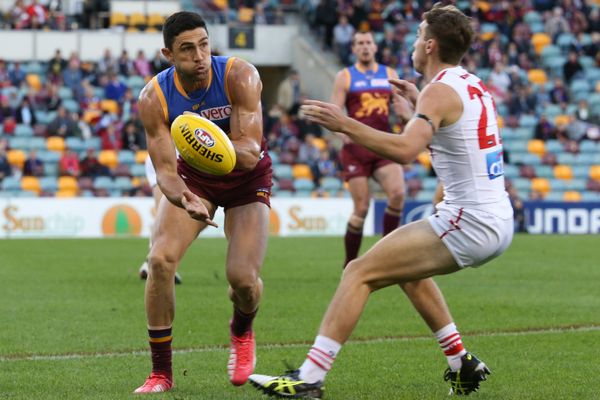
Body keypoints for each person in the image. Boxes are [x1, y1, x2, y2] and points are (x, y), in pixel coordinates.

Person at [249, 4, 513, 397]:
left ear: (430, 44)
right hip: (492, 215)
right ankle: (462, 362)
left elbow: (406, 151)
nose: (413, 42)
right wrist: (417, 105)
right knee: (407, 271)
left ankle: (309, 378)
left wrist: (346, 125)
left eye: (419, 34)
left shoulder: (439, 92)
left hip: (470, 221)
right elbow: (455, 142)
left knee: (358, 272)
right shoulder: (469, 84)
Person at [133, 11, 272, 393]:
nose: (199, 56)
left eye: (204, 45)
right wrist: (184, 198)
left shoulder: (239, 75)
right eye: (187, 49)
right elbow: (164, 171)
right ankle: (161, 373)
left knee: (243, 280)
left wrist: (212, 142)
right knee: (160, 260)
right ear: (168, 54)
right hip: (195, 179)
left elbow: (248, 149)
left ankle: (242, 330)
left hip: (247, 178)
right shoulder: (154, 97)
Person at [331, 30, 405, 267]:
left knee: (398, 194)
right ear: (353, 49)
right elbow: (335, 111)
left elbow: (400, 105)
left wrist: (407, 120)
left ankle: (388, 254)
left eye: (368, 42)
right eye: (360, 43)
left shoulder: (390, 74)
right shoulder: (345, 77)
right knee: (361, 208)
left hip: (383, 144)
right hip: (356, 149)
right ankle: (350, 264)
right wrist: (341, 133)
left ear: (375, 47)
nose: (364, 47)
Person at [138, 155, 182, 285]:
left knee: (165, 217)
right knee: (165, 218)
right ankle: (158, 264)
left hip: (171, 156)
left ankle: (151, 262)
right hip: (166, 157)